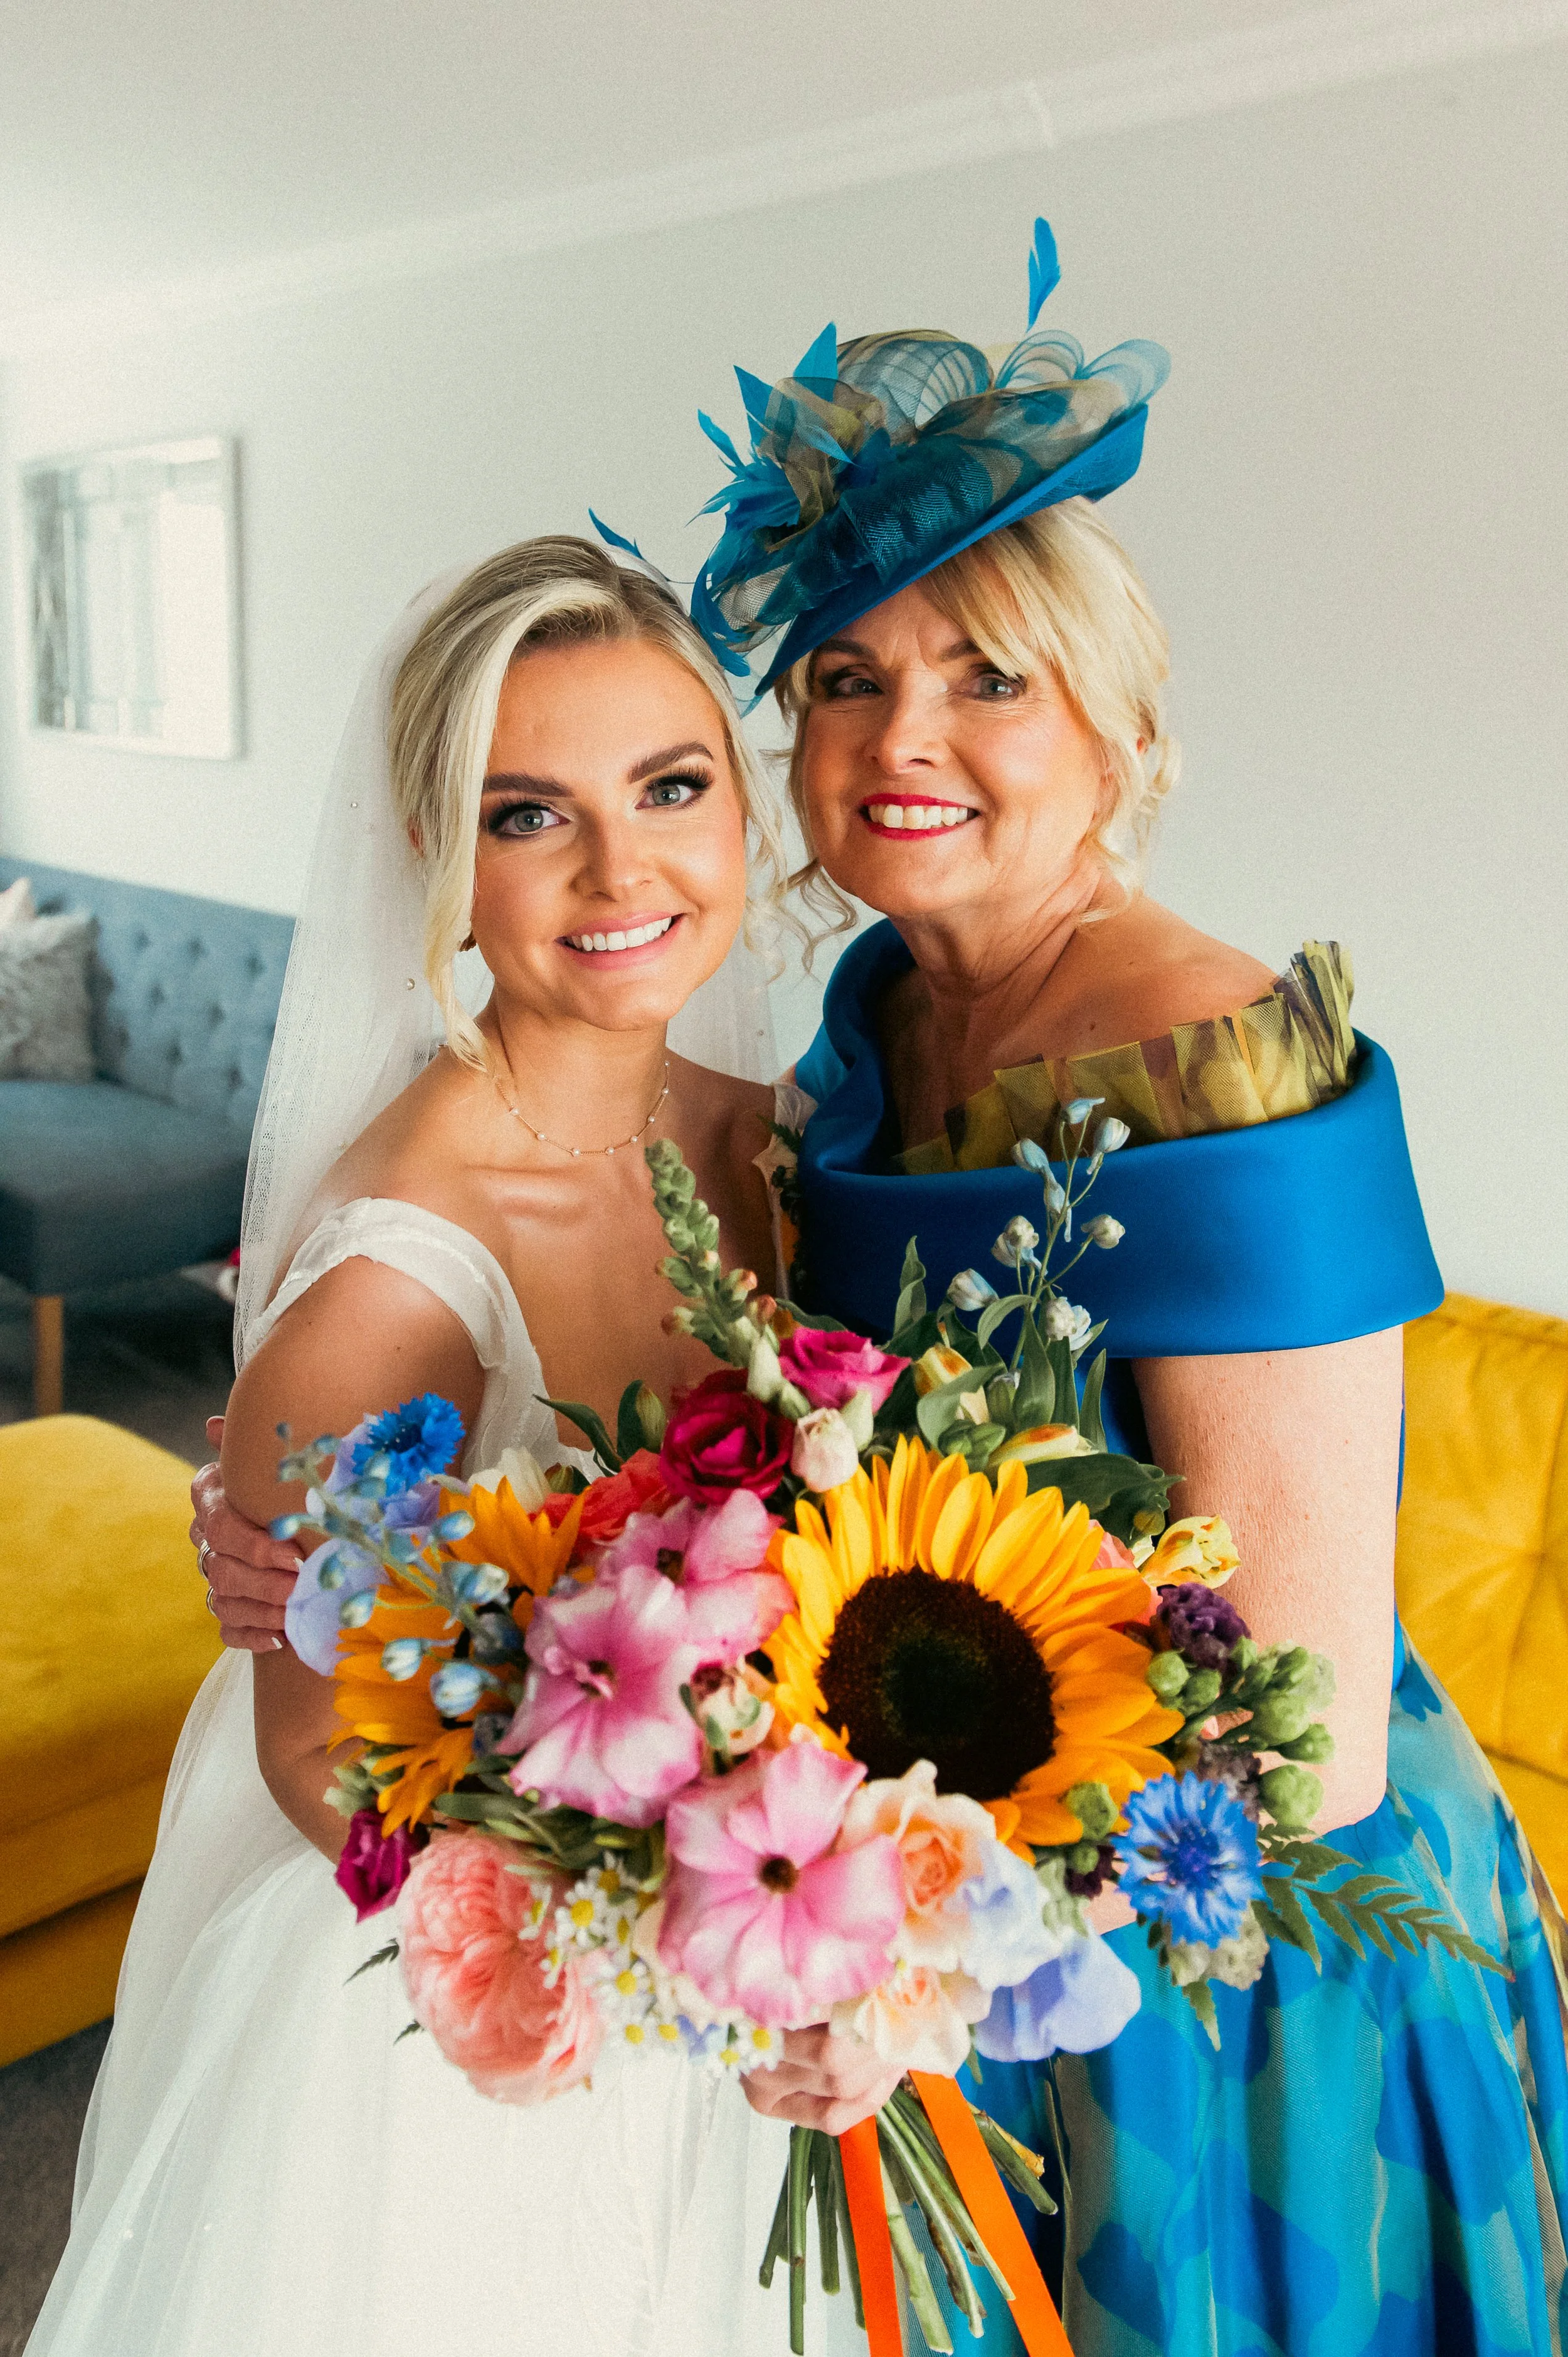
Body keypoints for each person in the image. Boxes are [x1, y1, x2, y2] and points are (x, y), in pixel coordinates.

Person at [682, 221, 1568, 2351]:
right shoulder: (877, 1019)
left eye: (990, 672)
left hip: (1232, 1956)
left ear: (1112, 720)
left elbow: (1309, 1746)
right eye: (845, 676)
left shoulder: (1222, 1060)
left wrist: (903, 1959)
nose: (909, 734)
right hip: (968, 1874)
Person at [29, 538, 881, 2357]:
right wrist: (693, 1935)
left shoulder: (802, 1144)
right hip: (480, 2010)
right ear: (439, 856)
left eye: (667, 787)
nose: (618, 867)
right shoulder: (389, 1275)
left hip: (756, 1940)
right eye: (526, 813)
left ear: (737, 806)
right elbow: (313, 1744)